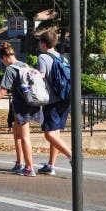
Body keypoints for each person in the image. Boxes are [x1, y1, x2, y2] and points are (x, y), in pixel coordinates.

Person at [0, 42, 42, 176]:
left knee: (24, 137)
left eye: (2, 61)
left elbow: (4, 89)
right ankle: (19, 163)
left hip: (21, 106)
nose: (4, 63)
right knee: (17, 134)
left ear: (5, 58)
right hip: (29, 104)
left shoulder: (10, 69)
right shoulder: (24, 65)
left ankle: (29, 167)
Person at [35, 30, 72, 175]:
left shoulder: (43, 57)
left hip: (52, 101)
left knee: (49, 134)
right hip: (65, 99)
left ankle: (72, 156)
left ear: (43, 44)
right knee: (56, 134)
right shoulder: (62, 58)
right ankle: (51, 165)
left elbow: (41, 77)